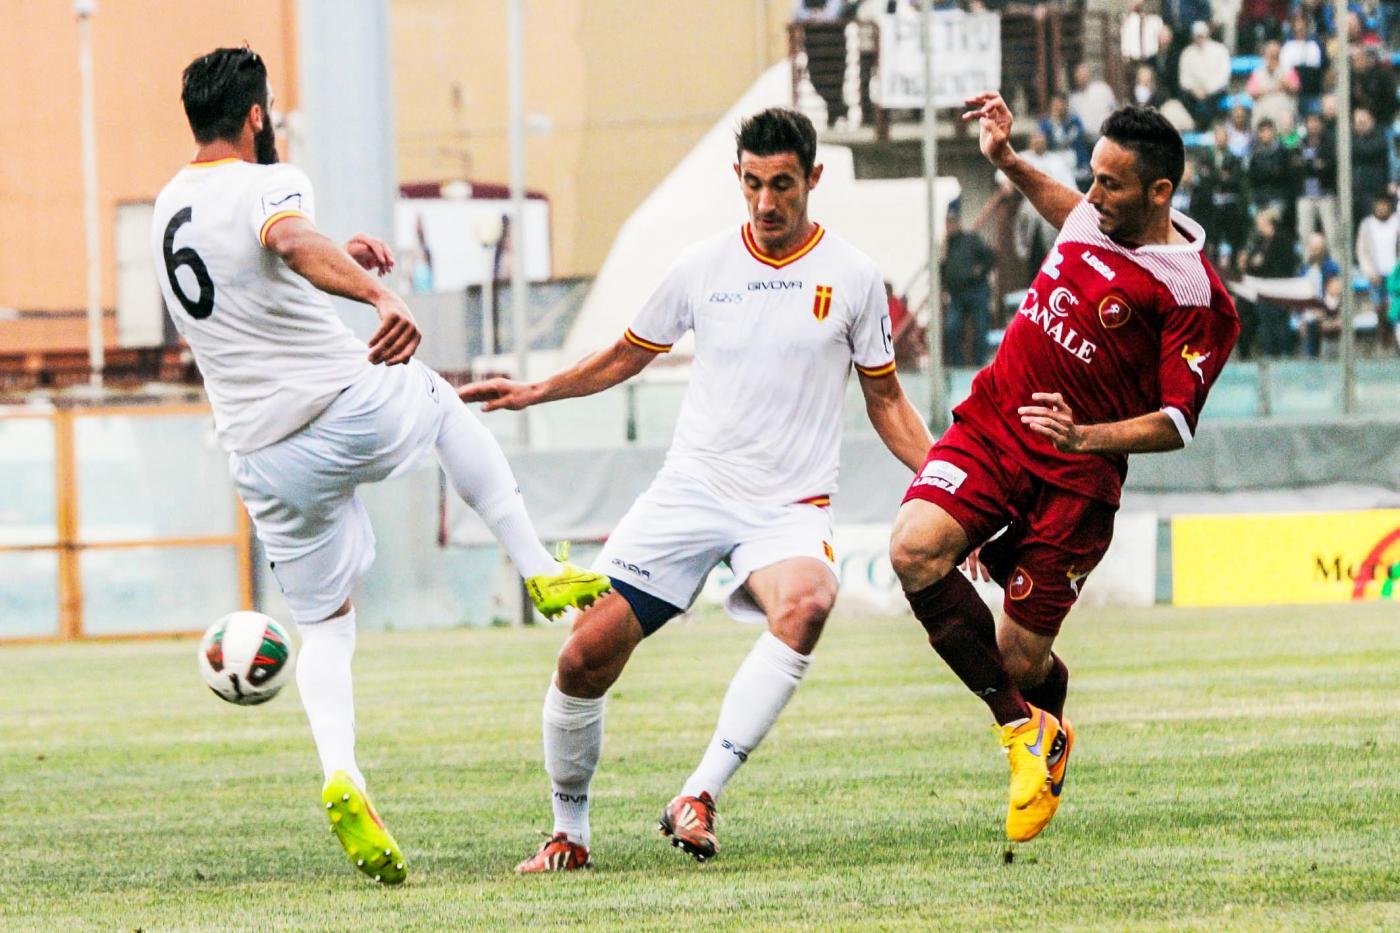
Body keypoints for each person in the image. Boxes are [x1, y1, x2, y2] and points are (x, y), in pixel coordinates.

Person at [152, 48, 612, 886]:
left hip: (261, 458)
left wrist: (343, 255)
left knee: (327, 626)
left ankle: (342, 774)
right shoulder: (272, 181)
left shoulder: (166, 206)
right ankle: (539, 569)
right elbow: (288, 239)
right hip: (341, 409)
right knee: (439, 399)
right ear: (256, 115)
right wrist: (379, 295)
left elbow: (265, 265)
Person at [459, 108, 932, 872]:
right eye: (753, 183)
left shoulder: (852, 277)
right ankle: (568, 834)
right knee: (583, 657)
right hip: (691, 493)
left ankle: (699, 793)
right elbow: (625, 355)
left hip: (788, 507)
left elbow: (888, 403)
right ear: (737, 178)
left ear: (814, 178)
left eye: (783, 184)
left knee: (808, 601)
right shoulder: (701, 266)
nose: (766, 202)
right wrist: (537, 389)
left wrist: (953, 489)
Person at [889, 93, 1239, 843]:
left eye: (1111, 183)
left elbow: (1177, 422)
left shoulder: (1193, 292)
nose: (1092, 194)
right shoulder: (1093, 216)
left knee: (1018, 657)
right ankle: (1021, 733)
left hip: (1075, 479)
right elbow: (1065, 208)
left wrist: (1085, 438)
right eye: (1092, 176)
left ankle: (1047, 721)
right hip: (995, 421)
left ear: (1160, 192)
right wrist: (1008, 161)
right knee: (914, 549)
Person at [941, 210, 997, 366]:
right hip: (957, 295)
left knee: (981, 327)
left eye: (952, 222)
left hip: (976, 291)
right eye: (947, 223)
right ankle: (957, 363)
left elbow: (990, 257)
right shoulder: (946, 247)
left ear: (958, 223)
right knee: (951, 327)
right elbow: (943, 271)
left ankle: (980, 363)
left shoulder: (970, 240)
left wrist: (979, 272)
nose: (950, 226)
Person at [1293, 112, 1338, 257]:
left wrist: (1311, 164)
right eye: (1310, 122)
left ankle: (1337, 266)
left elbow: (1329, 166)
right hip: (1305, 193)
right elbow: (1295, 164)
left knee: (1332, 235)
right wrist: (1314, 164)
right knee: (1305, 234)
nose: (1312, 125)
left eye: (1316, 122)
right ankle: (1308, 265)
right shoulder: (1300, 143)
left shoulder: (1329, 142)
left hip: (1325, 193)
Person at [1177, 21, 1231, 130]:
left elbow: (1223, 76)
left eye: (1202, 36)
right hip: (1194, 92)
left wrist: (1207, 90)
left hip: (1215, 90)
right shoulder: (1187, 53)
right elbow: (1184, 78)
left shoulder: (1220, 50)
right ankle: (1192, 126)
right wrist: (1194, 89)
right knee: (1184, 99)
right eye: (1197, 36)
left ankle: (1203, 128)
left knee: (1209, 104)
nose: (1199, 39)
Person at [1068, 63, 1117, 144]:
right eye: (1079, 76)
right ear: (1075, 78)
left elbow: (1114, 109)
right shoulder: (1074, 99)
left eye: (1083, 74)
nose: (1082, 78)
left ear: (1088, 74)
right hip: (1086, 140)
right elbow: (1073, 122)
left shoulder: (1103, 88)